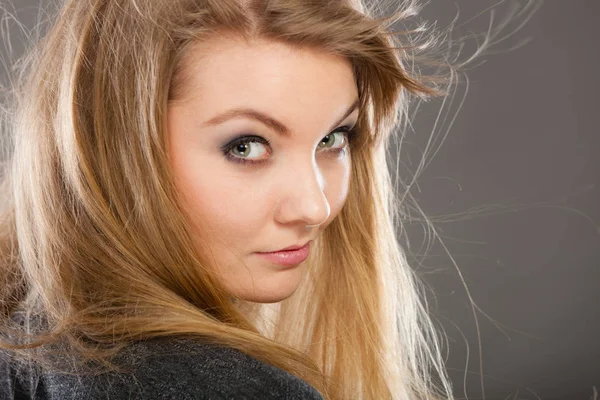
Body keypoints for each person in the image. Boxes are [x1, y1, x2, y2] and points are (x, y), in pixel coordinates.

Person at [0, 0, 511, 398]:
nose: (314, 207)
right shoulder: (230, 390)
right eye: (246, 146)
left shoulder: (25, 342)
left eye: (334, 139)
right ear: (114, 148)